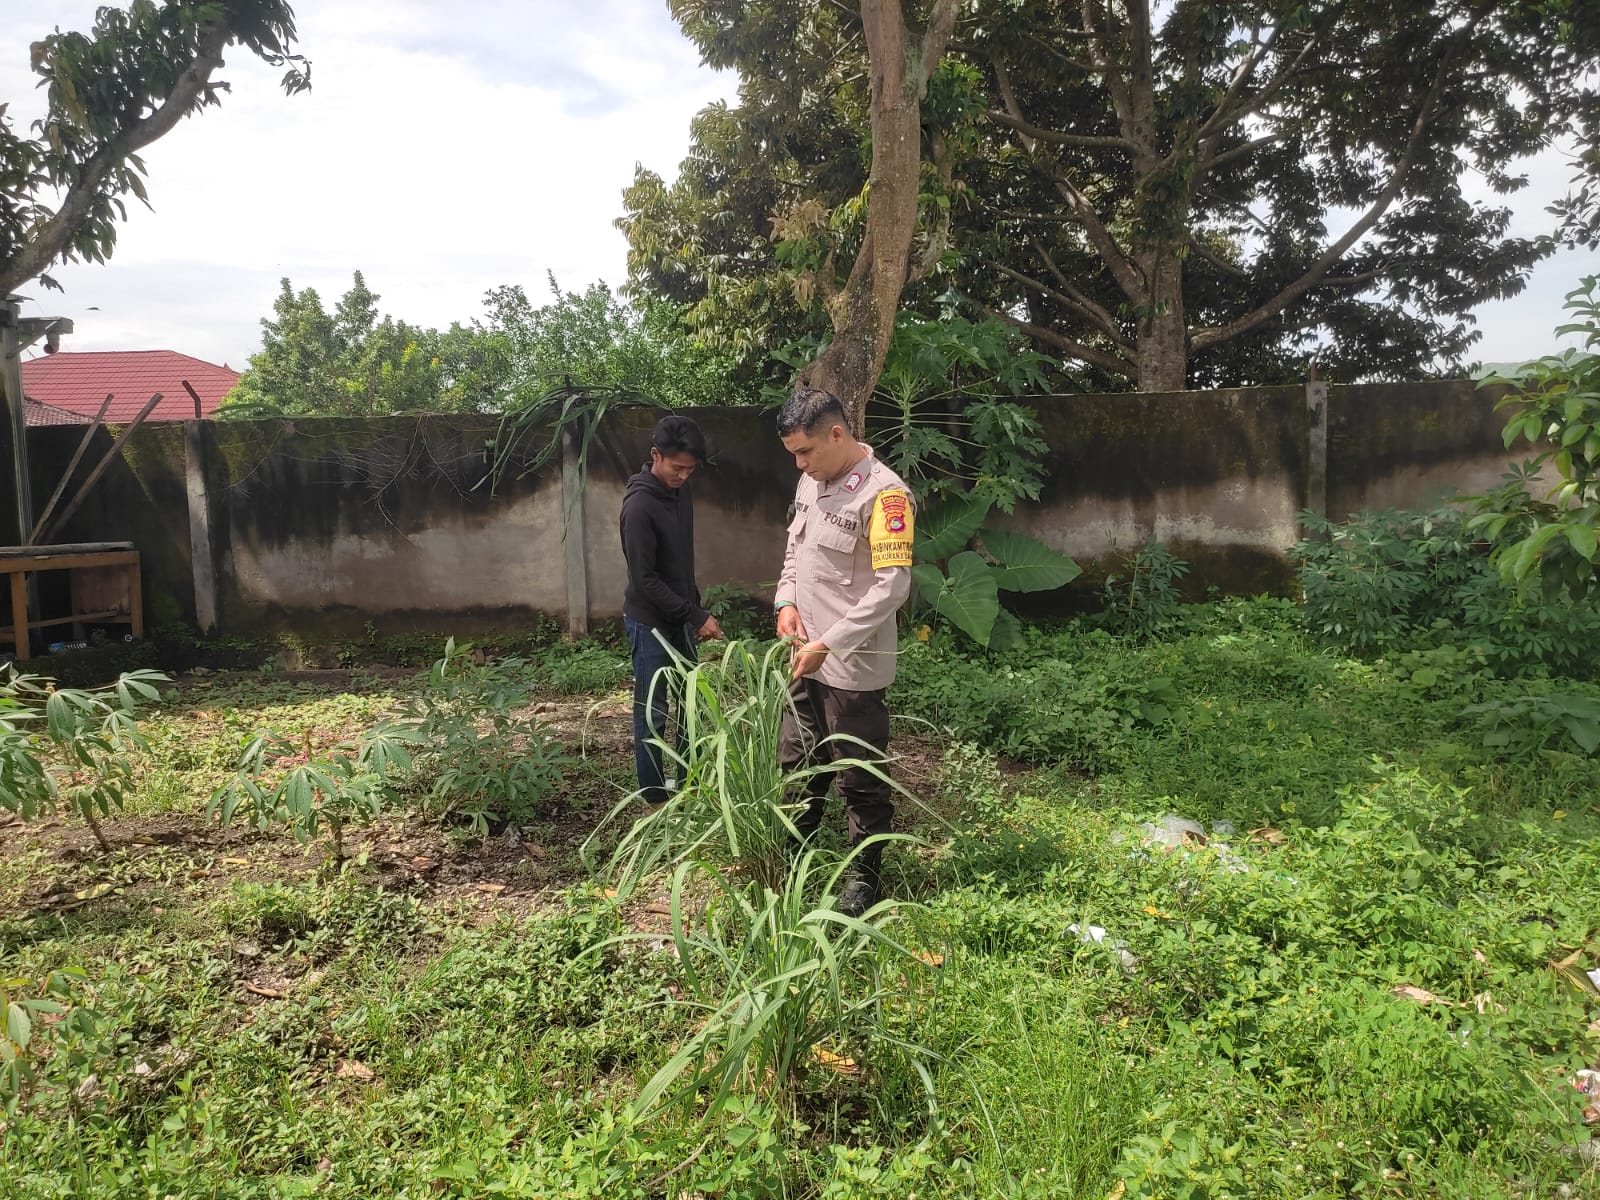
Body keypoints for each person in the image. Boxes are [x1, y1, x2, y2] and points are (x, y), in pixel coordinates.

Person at [773, 386, 914, 916]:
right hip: (802, 655)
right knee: (799, 758)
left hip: (851, 664)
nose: (801, 463)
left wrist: (828, 642)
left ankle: (864, 878)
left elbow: (891, 586)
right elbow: (796, 546)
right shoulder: (812, 482)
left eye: (806, 451)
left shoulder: (885, 496)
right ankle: (795, 850)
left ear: (838, 433)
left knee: (859, 775)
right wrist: (786, 601)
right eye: (794, 455)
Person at [620, 415, 723, 807]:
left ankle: (691, 784)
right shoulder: (640, 506)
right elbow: (644, 579)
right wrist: (695, 615)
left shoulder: (681, 492)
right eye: (676, 467)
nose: (683, 475)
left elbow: (680, 560)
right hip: (650, 624)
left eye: (690, 469)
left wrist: (692, 609)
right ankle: (655, 797)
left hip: (680, 617)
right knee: (653, 713)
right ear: (655, 456)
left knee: (691, 706)